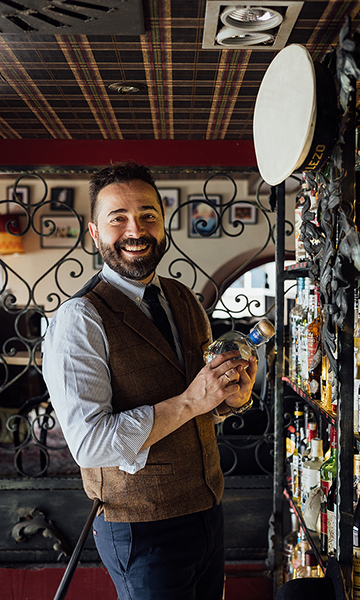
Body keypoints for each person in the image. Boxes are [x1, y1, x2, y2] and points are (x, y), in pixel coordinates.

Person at [43, 160, 257, 600]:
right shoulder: (79, 319)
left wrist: (231, 398)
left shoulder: (183, 298)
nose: (135, 230)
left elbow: (201, 404)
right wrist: (191, 403)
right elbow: (89, 443)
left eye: (147, 216)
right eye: (117, 219)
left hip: (208, 511)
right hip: (140, 529)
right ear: (95, 232)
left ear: (163, 224)